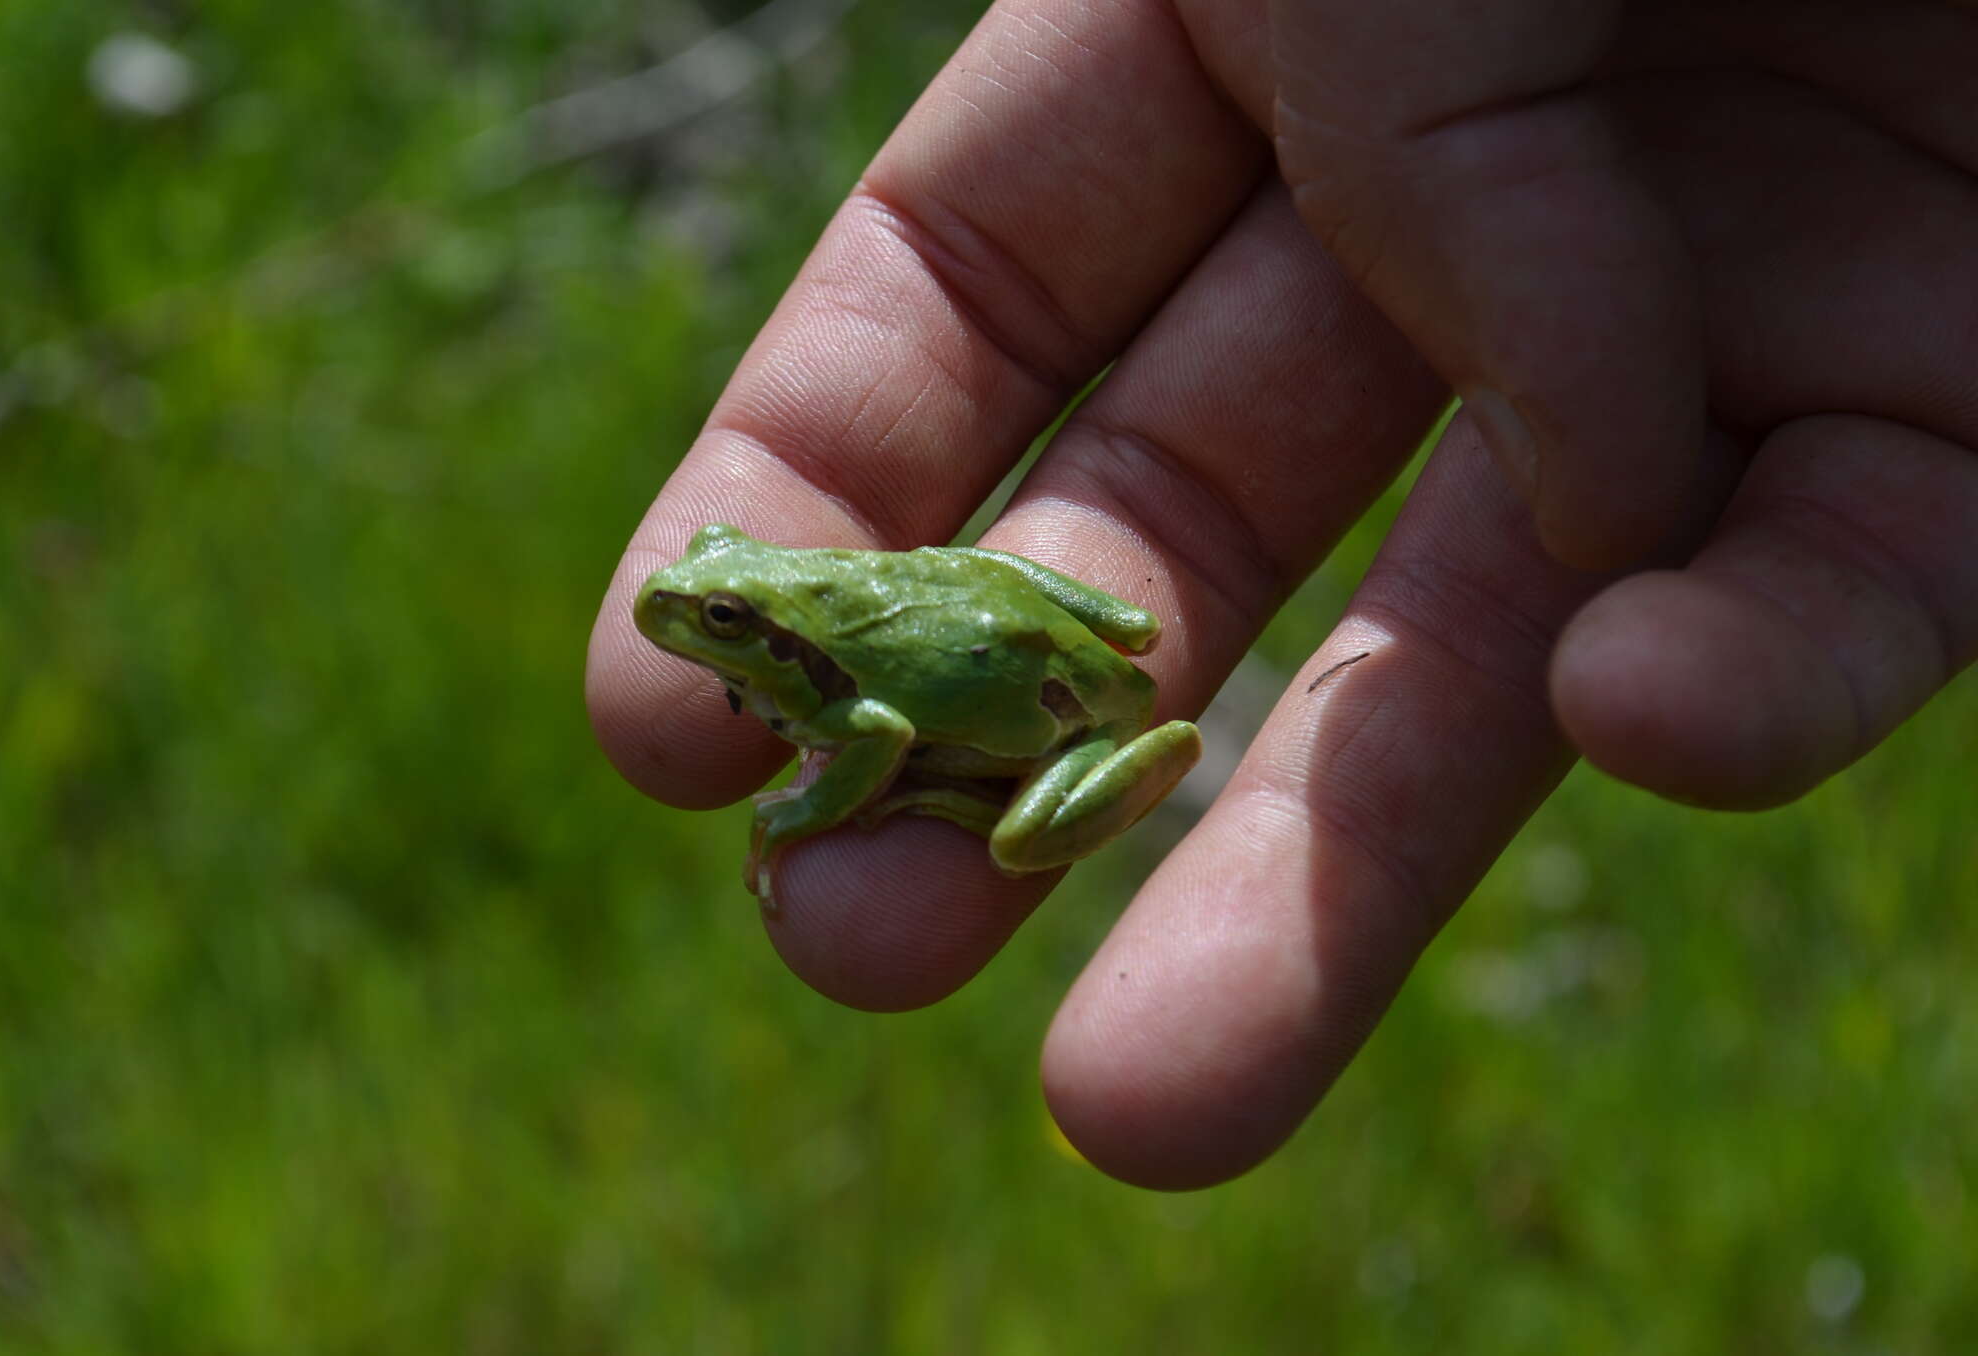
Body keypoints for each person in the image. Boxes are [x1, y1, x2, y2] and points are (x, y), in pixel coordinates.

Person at [587, 0, 1978, 1189]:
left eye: (718, 613)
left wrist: (817, 790)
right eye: (718, 596)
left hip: (1054, 718)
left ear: (772, 624)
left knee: (1010, 841)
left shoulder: (830, 675)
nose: (686, 600)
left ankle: (985, 796)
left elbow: (877, 732)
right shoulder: (802, 620)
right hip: (1040, 623)